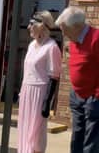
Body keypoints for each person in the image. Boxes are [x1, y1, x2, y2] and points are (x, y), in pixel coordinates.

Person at [55, 7, 99, 153]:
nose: (63, 33)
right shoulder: (74, 40)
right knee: (77, 138)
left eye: (65, 29)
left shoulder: (96, 38)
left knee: (91, 141)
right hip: (77, 96)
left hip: (93, 98)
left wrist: (97, 97)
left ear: (78, 26)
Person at [18, 11, 62, 153]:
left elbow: (54, 76)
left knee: (37, 133)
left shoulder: (52, 47)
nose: (28, 27)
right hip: (27, 91)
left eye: (32, 24)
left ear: (42, 26)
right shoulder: (31, 45)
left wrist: (47, 101)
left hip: (40, 93)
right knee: (24, 128)